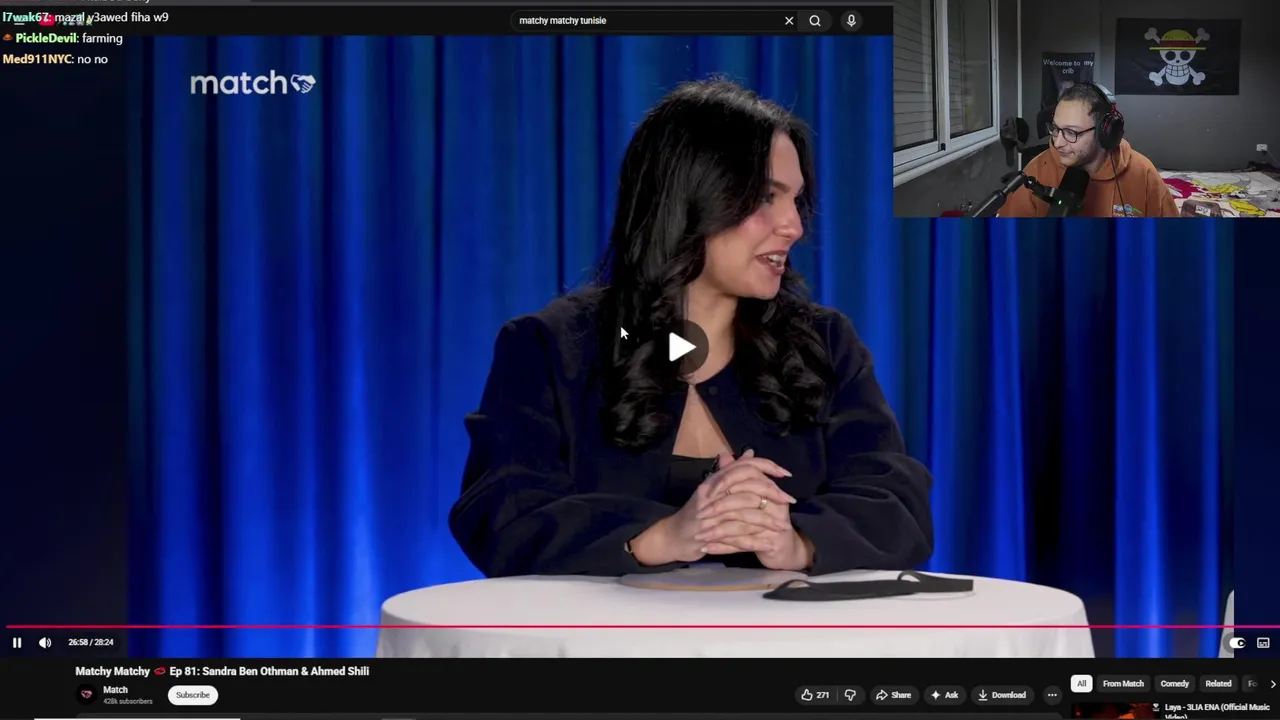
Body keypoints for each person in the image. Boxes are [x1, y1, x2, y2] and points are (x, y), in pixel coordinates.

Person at [449, 79, 934, 578]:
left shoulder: (825, 343)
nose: (794, 226)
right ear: (687, 199)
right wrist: (666, 535)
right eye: (766, 197)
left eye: (796, 201)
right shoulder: (550, 347)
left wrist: (793, 542)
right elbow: (501, 512)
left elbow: (896, 502)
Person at [1000, 83, 1177, 218]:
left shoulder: (1143, 173)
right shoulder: (1035, 171)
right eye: (1055, 128)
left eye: (1071, 132)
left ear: (1104, 133)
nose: (1058, 142)